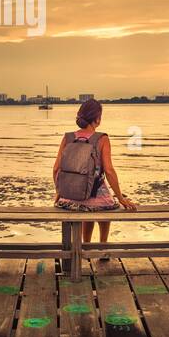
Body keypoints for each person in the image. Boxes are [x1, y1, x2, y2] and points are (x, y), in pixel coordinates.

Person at [53, 99, 138, 247]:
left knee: (87, 208)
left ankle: (86, 245)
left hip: (69, 200)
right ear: (97, 119)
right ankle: (101, 246)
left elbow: (56, 169)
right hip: (93, 195)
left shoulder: (68, 137)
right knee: (107, 205)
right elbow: (109, 171)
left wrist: (59, 192)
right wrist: (120, 197)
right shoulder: (102, 138)